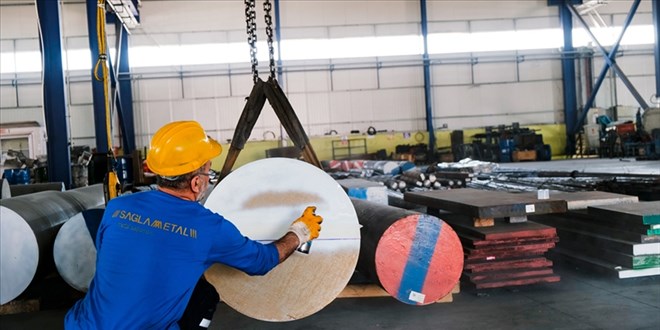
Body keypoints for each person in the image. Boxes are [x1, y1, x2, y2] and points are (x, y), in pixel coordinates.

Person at [64, 121, 322, 329]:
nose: (208, 180)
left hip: (82, 324)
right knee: (204, 298)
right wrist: (300, 232)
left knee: (202, 292)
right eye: (208, 172)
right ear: (196, 184)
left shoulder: (118, 208)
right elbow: (262, 261)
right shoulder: (208, 228)